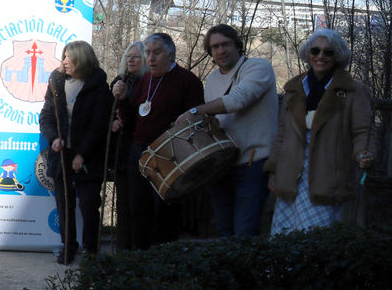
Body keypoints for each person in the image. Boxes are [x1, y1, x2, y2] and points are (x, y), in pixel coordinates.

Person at [267, 29, 374, 234]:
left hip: (327, 176)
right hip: (291, 176)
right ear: (308, 54)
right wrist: (274, 170)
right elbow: (282, 134)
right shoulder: (294, 89)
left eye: (328, 52)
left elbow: (363, 130)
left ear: (338, 56)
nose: (320, 56)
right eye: (315, 51)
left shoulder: (353, 90)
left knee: (314, 239)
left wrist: (364, 153)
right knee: (284, 241)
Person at [176, 25, 278, 237]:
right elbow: (217, 120)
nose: (220, 51)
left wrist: (195, 110)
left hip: (253, 162)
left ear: (237, 45)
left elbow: (238, 99)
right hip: (221, 165)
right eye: (214, 47)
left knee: (245, 232)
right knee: (224, 231)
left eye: (225, 44)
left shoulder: (258, 67)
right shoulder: (212, 79)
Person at [116, 32, 203, 250]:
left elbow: (197, 119)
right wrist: (124, 99)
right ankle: (137, 260)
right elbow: (133, 117)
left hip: (169, 154)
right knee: (137, 208)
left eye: (157, 52)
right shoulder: (146, 79)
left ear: (171, 55)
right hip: (140, 152)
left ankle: (161, 263)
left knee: (163, 211)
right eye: (148, 53)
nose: (151, 58)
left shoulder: (188, 81)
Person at [39, 40, 112, 264]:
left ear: (82, 60)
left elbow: (99, 126)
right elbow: (46, 116)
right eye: (64, 57)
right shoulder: (56, 81)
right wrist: (53, 139)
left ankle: (91, 249)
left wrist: (82, 154)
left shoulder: (98, 85)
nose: (65, 62)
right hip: (62, 153)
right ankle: (68, 246)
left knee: (89, 204)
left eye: (70, 58)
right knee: (64, 203)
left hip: (89, 156)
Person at [109, 41, 144, 251]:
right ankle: (122, 250)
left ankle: (137, 250)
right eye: (128, 56)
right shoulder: (119, 81)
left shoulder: (147, 83)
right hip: (121, 152)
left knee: (137, 204)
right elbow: (105, 110)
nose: (130, 60)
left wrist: (126, 100)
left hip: (140, 149)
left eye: (136, 57)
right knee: (122, 205)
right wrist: (111, 121)